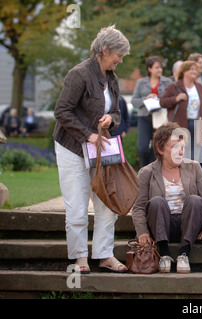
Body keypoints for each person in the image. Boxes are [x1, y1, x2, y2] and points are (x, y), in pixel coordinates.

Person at [53, 25, 130, 274]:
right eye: (119, 54)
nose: (121, 59)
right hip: (72, 148)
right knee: (77, 207)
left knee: (107, 203)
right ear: (105, 50)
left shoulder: (113, 79)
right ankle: (79, 258)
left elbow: (116, 112)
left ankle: (105, 255)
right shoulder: (79, 74)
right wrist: (88, 135)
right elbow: (61, 111)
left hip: (101, 150)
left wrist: (111, 119)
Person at [132, 122, 202, 274]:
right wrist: (142, 232)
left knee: (195, 200)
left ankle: (184, 253)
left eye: (182, 147)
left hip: (188, 225)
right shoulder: (146, 172)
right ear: (160, 149)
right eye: (174, 147)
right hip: (161, 226)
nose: (180, 152)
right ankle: (164, 254)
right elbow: (138, 207)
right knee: (156, 202)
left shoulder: (194, 167)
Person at [160, 61, 202, 169]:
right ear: (183, 72)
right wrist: (176, 98)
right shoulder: (173, 86)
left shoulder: (200, 88)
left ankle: (194, 180)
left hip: (197, 124)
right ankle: (181, 179)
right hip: (180, 125)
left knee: (196, 155)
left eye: (195, 69)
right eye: (191, 69)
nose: (194, 71)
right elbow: (163, 102)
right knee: (181, 153)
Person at [132, 56, 173, 168]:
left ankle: (155, 171)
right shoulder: (141, 82)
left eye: (160, 67)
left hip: (161, 119)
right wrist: (146, 98)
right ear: (149, 69)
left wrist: (161, 100)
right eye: (157, 67)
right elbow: (134, 101)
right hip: (144, 118)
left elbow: (172, 99)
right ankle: (144, 170)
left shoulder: (168, 82)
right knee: (142, 148)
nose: (160, 70)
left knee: (159, 148)